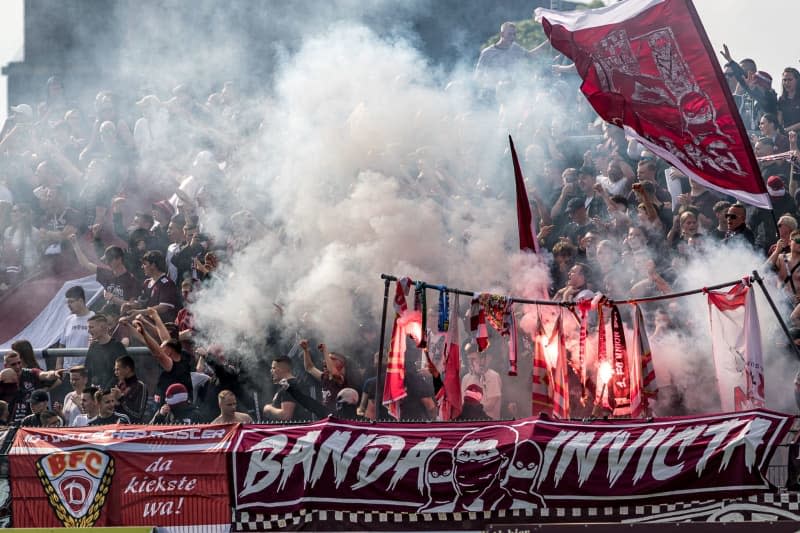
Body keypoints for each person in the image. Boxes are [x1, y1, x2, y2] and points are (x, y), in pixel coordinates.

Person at [70, 236, 138, 310]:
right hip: (106, 314)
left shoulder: (131, 280)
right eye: (105, 260)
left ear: (119, 259)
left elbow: (133, 306)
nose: (106, 262)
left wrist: (114, 299)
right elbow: (85, 264)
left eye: (109, 260)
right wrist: (75, 244)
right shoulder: (106, 274)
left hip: (121, 317)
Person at [0, 350, 62, 424]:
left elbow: (45, 375)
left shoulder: (30, 373)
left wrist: (54, 373)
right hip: (9, 425)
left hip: (30, 423)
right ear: (6, 366)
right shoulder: (3, 381)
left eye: (19, 363)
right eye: (13, 364)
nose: (17, 366)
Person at [122, 250, 179, 323]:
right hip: (148, 323)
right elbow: (142, 302)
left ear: (153, 265)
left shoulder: (167, 283)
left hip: (163, 326)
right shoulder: (147, 282)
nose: (142, 267)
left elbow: (163, 307)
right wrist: (130, 305)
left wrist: (140, 312)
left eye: (145, 264)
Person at [55, 285, 95, 370]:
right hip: (67, 370)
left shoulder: (94, 318)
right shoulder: (68, 319)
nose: (68, 305)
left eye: (71, 302)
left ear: (80, 301)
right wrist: (58, 365)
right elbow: (62, 344)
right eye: (67, 302)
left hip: (85, 370)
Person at [85, 314, 128, 389]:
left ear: (102, 327)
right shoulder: (93, 346)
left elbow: (122, 372)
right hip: (94, 392)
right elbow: (87, 370)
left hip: (112, 392)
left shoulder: (117, 346)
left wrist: (107, 390)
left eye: (91, 327)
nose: (88, 331)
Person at [263, 356, 308, 421]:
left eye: (273, 368)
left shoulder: (289, 386)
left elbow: (286, 415)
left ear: (282, 369)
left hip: (292, 429)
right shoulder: (288, 385)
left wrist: (269, 408)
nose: (271, 371)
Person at [461, 350, 502, 420]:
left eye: (473, 359)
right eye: (469, 359)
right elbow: (463, 402)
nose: (470, 362)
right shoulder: (465, 378)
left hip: (489, 423)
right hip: (470, 423)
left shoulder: (493, 376)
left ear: (482, 359)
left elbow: (490, 405)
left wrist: (471, 410)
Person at [112, 355, 147, 423]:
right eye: (115, 370)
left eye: (118, 369)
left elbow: (138, 415)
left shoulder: (140, 386)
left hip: (132, 430)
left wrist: (120, 399)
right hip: (115, 428)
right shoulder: (118, 386)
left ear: (127, 369)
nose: (115, 373)